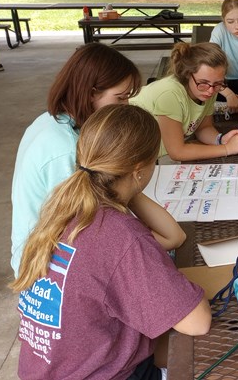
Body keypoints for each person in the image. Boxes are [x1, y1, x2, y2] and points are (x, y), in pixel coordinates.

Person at [11, 104, 212, 380]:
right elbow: (197, 322)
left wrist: (126, 186)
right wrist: (130, 182)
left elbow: (174, 237)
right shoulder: (119, 234)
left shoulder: (63, 210)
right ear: (140, 168)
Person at [11, 44, 185, 276]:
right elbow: (84, 234)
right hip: (48, 270)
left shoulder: (53, 122)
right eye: (121, 98)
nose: (126, 106)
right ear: (91, 93)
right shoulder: (65, 151)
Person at [130, 42, 238, 161]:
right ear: (187, 74)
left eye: (218, 83)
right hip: (129, 151)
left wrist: (220, 140)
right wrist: (227, 149)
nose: (210, 91)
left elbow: (203, 128)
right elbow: (177, 152)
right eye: (203, 83)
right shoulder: (170, 94)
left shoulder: (208, 89)